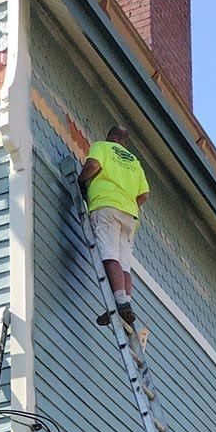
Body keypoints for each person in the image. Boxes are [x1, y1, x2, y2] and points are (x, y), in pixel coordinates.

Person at [78, 126, 150, 325]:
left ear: (110, 137)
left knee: (109, 256)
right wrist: (127, 202)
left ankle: (120, 304)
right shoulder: (134, 162)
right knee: (124, 264)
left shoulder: (102, 147)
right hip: (130, 215)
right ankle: (124, 302)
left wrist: (81, 181)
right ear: (125, 143)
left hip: (106, 206)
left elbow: (92, 165)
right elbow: (144, 194)